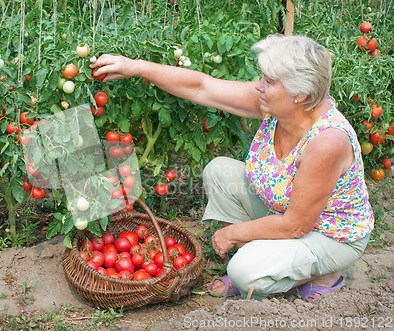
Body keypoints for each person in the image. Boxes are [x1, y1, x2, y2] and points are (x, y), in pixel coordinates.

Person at [90, 34, 374, 302]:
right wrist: (137, 67)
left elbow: (296, 225)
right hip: (286, 214)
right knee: (220, 171)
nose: (258, 86)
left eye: (269, 81)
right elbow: (203, 87)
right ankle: (263, 260)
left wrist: (232, 233)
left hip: (329, 235)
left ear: (300, 94)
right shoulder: (279, 105)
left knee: (243, 273)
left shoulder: (327, 142)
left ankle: (323, 275)